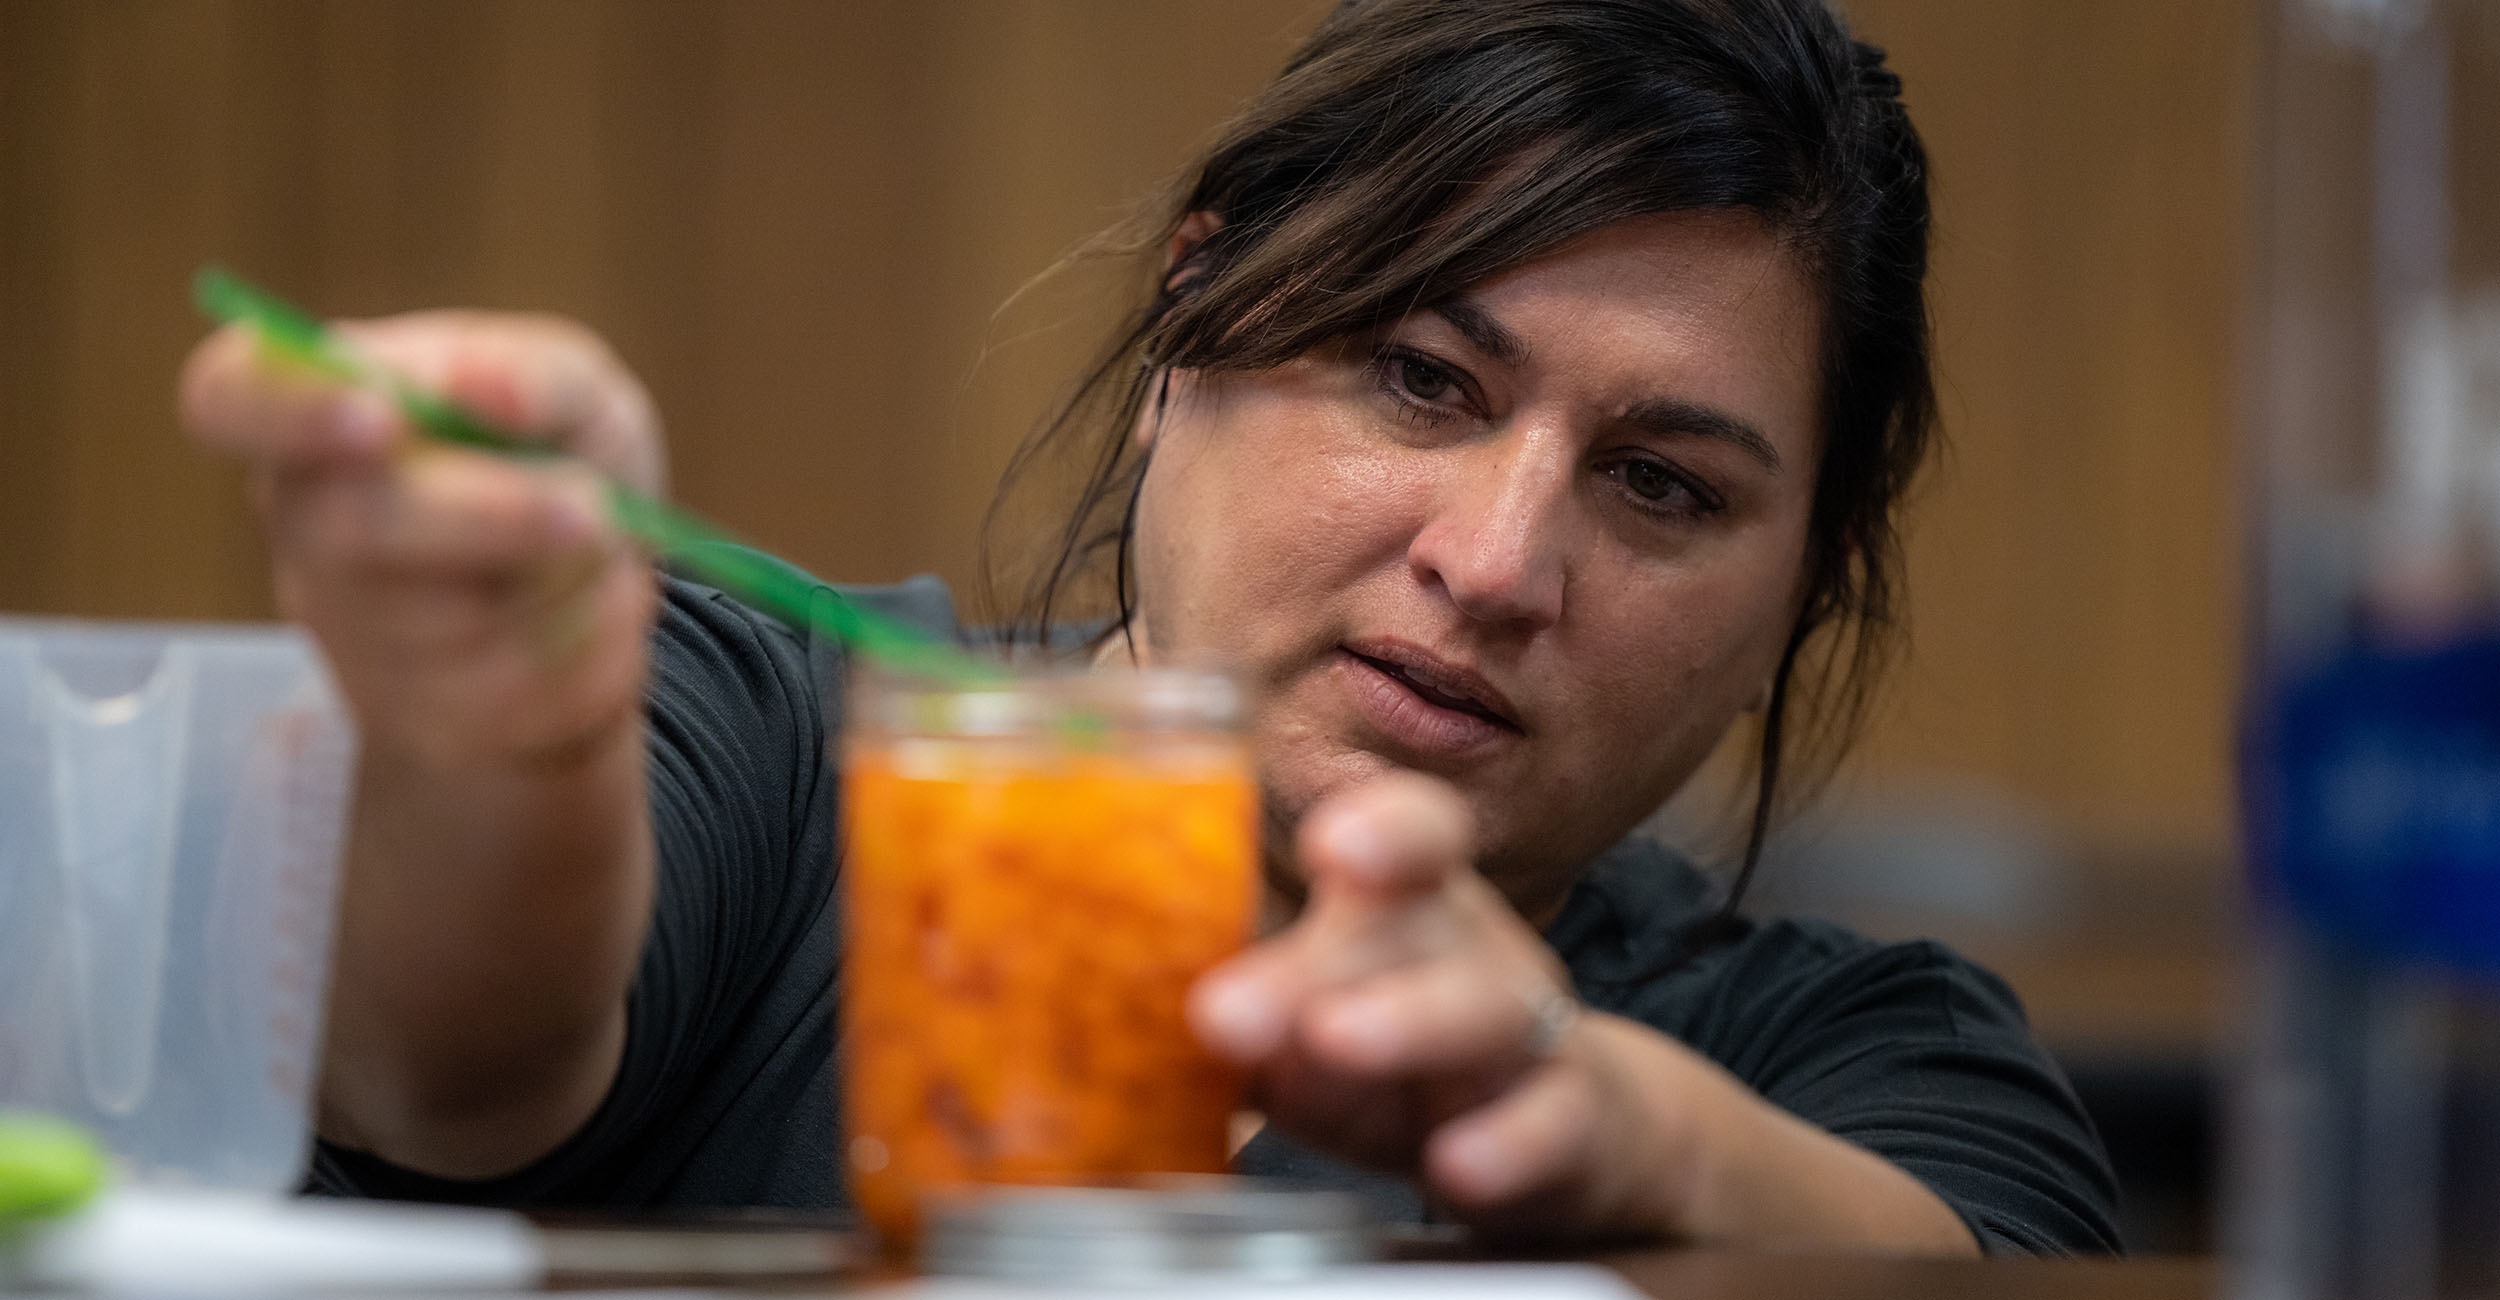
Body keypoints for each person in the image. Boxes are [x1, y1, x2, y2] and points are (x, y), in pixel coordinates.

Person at [178, 0, 2120, 1258]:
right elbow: (447, 1059)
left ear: (1801, 585)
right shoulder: (773, 738)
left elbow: (1941, 1250)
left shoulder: (1842, 1048)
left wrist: (1611, 1126)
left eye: (1663, 487)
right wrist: (492, 735)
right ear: (1189, 328)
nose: (1498, 558)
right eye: (1422, 378)